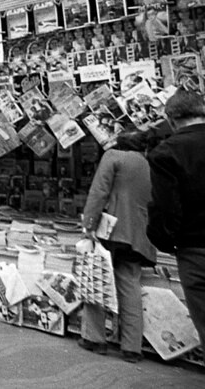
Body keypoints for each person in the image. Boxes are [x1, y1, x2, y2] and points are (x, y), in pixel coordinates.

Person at [79, 131, 157, 362]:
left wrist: (89, 224)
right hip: (137, 235)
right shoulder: (148, 163)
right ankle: (131, 347)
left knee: (95, 279)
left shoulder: (113, 156)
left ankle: (95, 338)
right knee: (130, 287)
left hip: (110, 231)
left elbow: (99, 192)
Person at [147, 89, 205, 347]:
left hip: (196, 250)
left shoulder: (165, 153)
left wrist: (164, 242)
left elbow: (166, 208)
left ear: (171, 120)